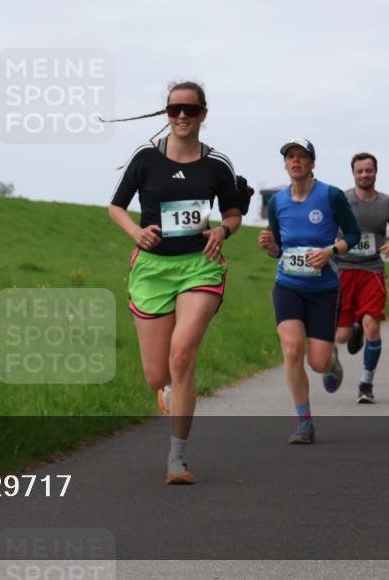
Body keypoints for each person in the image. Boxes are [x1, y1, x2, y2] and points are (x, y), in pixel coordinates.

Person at [108, 81, 252, 484]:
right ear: (166, 114)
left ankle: (177, 459)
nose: (183, 117)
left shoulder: (217, 164)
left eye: (190, 110)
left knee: (183, 353)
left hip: (199, 266)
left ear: (204, 114)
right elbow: (116, 207)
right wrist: (136, 234)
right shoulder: (145, 158)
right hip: (152, 270)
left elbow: (234, 214)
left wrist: (223, 230)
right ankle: (168, 388)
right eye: (175, 110)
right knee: (158, 375)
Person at [259, 138, 360, 444]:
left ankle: (331, 360)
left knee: (317, 362)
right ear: (286, 163)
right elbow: (278, 248)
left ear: (312, 163)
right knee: (291, 350)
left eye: (302, 156)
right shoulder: (277, 202)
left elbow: (353, 234)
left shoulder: (330, 196)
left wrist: (331, 250)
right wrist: (270, 247)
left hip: (324, 289)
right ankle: (304, 422)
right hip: (288, 285)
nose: (296, 161)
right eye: (290, 157)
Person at [333, 153, 389, 404]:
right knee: (341, 336)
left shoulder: (387, 202)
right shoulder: (341, 199)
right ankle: (348, 335)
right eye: (359, 171)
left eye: (369, 170)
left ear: (376, 172)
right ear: (352, 173)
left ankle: (366, 383)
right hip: (343, 269)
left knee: (372, 326)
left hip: (372, 269)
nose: (364, 175)